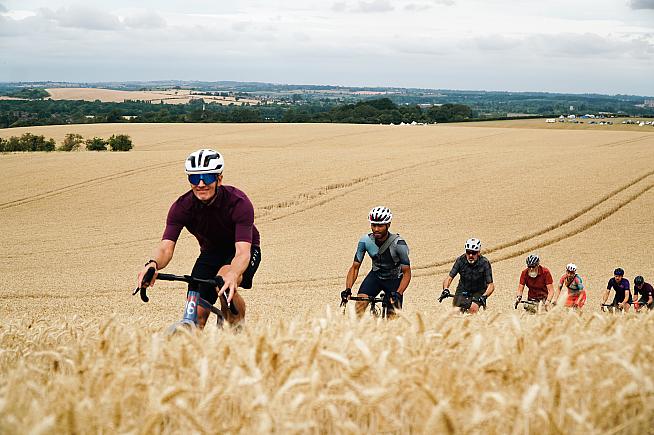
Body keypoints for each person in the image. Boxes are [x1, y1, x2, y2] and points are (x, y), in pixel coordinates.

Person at [136, 149, 261, 328]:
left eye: (207, 177)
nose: (201, 184)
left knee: (223, 283)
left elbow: (242, 252)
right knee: (196, 316)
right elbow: (166, 248)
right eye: (194, 178)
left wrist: (234, 274)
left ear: (219, 179)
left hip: (243, 249)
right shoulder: (181, 207)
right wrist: (152, 264)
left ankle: (237, 332)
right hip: (210, 253)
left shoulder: (238, 202)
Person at [343, 206, 411, 317]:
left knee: (392, 319)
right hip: (375, 277)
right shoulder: (365, 241)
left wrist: (399, 293)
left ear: (388, 225)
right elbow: (355, 267)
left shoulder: (399, 244)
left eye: (380, 225)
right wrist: (348, 289)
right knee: (359, 307)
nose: (376, 229)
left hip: (394, 281)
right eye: (373, 225)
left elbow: (407, 273)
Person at [441, 238, 494, 313]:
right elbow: (449, 278)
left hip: (478, 290)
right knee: (455, 312)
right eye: (468, 252)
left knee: (473, 309)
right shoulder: (460, 260)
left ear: (478, 252)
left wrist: (484, 296)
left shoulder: (484, 263)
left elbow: (491, 285)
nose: (470, 255)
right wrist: (445, 289)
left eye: (474, 253)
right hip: (463, 289)